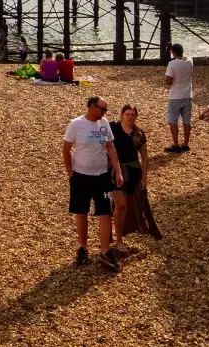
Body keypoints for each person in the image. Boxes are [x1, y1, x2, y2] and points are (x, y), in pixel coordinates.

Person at [63, 96, 123, 271]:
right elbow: (66, 148)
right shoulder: (76, 124)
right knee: (81, 212)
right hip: (80, 175)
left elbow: (110, 147)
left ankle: (105, 251)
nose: (104, 113)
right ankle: (82, 247)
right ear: (91, 106)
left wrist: (118, 171)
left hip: (101, 175)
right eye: (102, 109)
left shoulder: (104, 123)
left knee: (105, 212)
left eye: (106, 110)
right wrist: (70, 172)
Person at [110, 104, 152, 253]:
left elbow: (145, 157)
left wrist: (144, 178)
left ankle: (120, 233)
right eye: (127, 114)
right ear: (122, 114)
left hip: (133, 171)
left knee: (129, 206)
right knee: (120, 204)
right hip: (115, 171)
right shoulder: (112, 127)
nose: (130, 117)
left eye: (133, 115)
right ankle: (118, 239)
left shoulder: (138, 133)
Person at [164, 43, 195, 152]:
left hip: (175, 95)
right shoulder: (190, 61)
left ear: (173, 52)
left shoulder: (172, 64)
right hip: (187, 95)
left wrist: (168, 80)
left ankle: (176, 144)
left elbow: (168, 81)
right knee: (186, 121)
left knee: (173, 120)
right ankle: (186, 144)